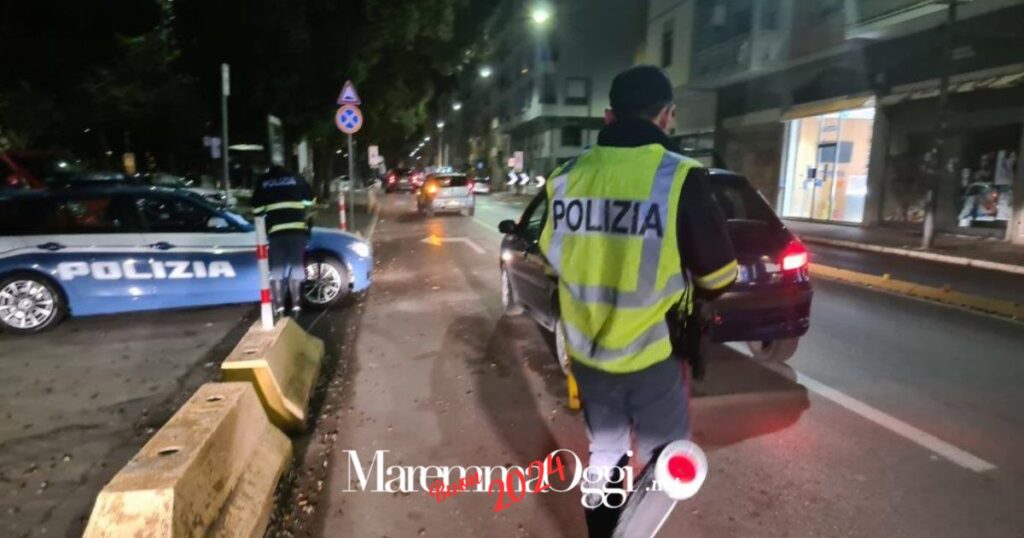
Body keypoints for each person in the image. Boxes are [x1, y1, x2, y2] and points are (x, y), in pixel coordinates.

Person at [537, 65, 738, 537]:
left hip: (588, 353)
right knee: (665, 463)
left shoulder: (565, 177)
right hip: (653, 354)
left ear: (609, 117)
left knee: (605, 453)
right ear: (667, 116)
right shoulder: (678, 177)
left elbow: (551, 264)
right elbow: (719, 276)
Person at [251, 165, 315, 316]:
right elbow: (310, 201)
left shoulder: (264, 181)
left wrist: (269, 209)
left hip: (276, 233)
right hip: (297, 231)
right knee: (297, 266)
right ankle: (296, 306)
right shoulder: (297, 178)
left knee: (277, 269)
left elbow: (257, 210)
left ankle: (279, 307)